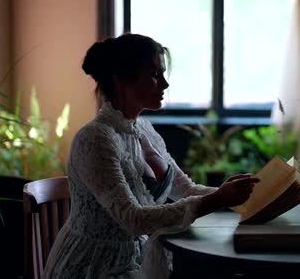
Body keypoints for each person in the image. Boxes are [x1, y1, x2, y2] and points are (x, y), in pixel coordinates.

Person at [43, 33, 259, 279]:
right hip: (96, 266)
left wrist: (238, 195)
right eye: (155, 75)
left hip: (141, 257)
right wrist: (217, 199)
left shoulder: (144, 128)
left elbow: (184, 189)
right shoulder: (95, 139)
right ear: (121, 79)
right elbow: (133, 220)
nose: (165, 84)